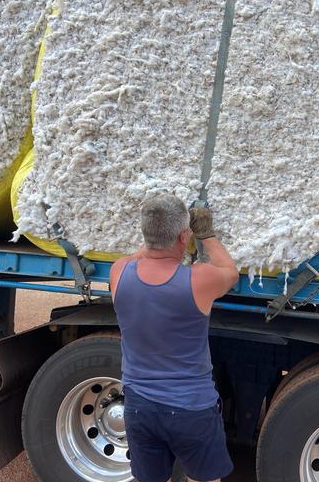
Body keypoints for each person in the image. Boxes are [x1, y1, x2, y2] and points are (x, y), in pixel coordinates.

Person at [110, 194, 239, 482]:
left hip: (138, 406)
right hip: (191, 408)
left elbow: (143, 254)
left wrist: (158, 234)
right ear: (184, 236)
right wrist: (206, 235)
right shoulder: (199, 279)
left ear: (145, 235)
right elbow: (230, 273)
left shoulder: (119, 272)